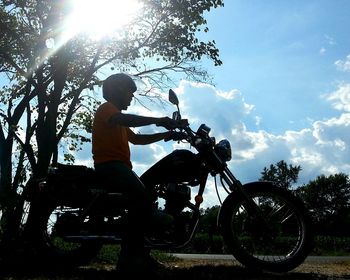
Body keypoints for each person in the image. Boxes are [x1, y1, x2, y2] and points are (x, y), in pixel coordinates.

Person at [92, 73, 186, 275]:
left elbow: (136, 140)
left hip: (120, 167)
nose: (131, 97)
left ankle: (138, 252)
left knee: (147, 194)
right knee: (142, 197)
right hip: (110, 166)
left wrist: (167, 135)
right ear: (117, 90)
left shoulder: (118, 120)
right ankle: (131, 257)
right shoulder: (108, 109)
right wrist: (159, 120)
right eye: (129, 92)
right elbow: (129, 120)